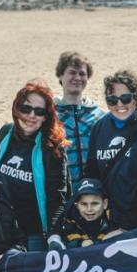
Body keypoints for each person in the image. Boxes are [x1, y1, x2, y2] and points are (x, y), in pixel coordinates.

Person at [85, 69, 137, 230]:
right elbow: (92, 173)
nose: (120, 105)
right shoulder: (99, 128)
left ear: (135, 99)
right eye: (112, 100)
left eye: (125, 98)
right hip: (107, 222)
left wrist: (126, 226)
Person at [0, 81, 69, 251]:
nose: (31, 116)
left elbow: (58, 195)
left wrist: (54, 235)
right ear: (16, 110)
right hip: (3, 229)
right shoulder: (5, 134)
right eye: (26, 109)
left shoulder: (52, 148)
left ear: (46, 117)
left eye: (39, 111)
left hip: (34, 234)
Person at [54, 51, 101, 182]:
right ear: (60, 75)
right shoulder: (49, 115)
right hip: (61, 190)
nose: (77, 78)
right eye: (72, 72)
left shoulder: (99, 116)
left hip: (92, 194)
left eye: (82, 74)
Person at [49, 178, 119, 249]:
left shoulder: (113, 218)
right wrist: (80, 243)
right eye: (84, 204)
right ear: (76, 206)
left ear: (105, 204)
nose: (89, 209)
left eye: (94, 203)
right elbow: (65, 243)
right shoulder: (69, 220)